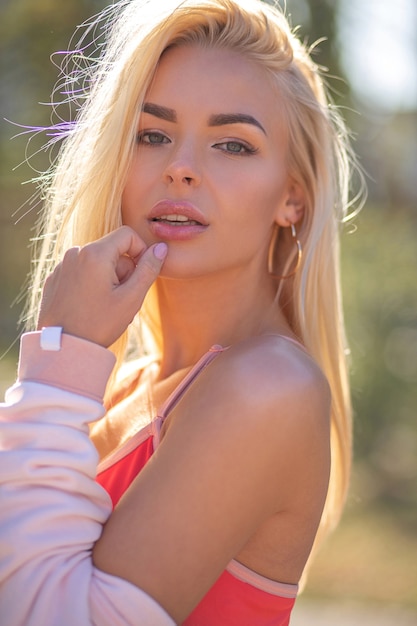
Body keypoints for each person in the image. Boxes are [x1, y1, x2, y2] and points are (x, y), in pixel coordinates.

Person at [0, 0, 364, 624]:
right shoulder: (120, 384)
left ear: (292, 200)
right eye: (152, 135)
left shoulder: (267, 386)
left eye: (232, 144)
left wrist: (58, 362)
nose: (181, 168)